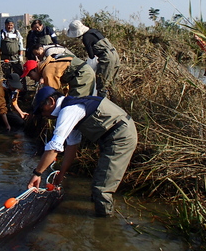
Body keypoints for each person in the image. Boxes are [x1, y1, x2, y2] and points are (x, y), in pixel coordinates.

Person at [28, 86, 137, 217]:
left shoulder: (69, 110)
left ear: (51, 101)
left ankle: (105, 225)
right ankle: (100, 209)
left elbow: (54, 148)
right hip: (111, 136)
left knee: (102, 189)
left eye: (41, 110)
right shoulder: (71, 108)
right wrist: (62, 173)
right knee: (100, 180)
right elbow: (71, 146)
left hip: (120, 136)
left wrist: (37, 173)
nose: (43, 115)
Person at [67, 20, 120, 98]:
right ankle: (114, 101)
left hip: (107, 57)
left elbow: (91, 55)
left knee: (102, 84)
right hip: (115, 54)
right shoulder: (94, 31)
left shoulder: (86, 38)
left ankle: (101, 104)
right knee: (112, 82)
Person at [21, 50, 96, 97]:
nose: (31, 78)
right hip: (85, 72)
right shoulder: (49, 64)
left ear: (35, 69)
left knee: (75, 105)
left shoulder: (48, 71)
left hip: (83, 75)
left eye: (30, 75)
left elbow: (55, 93)